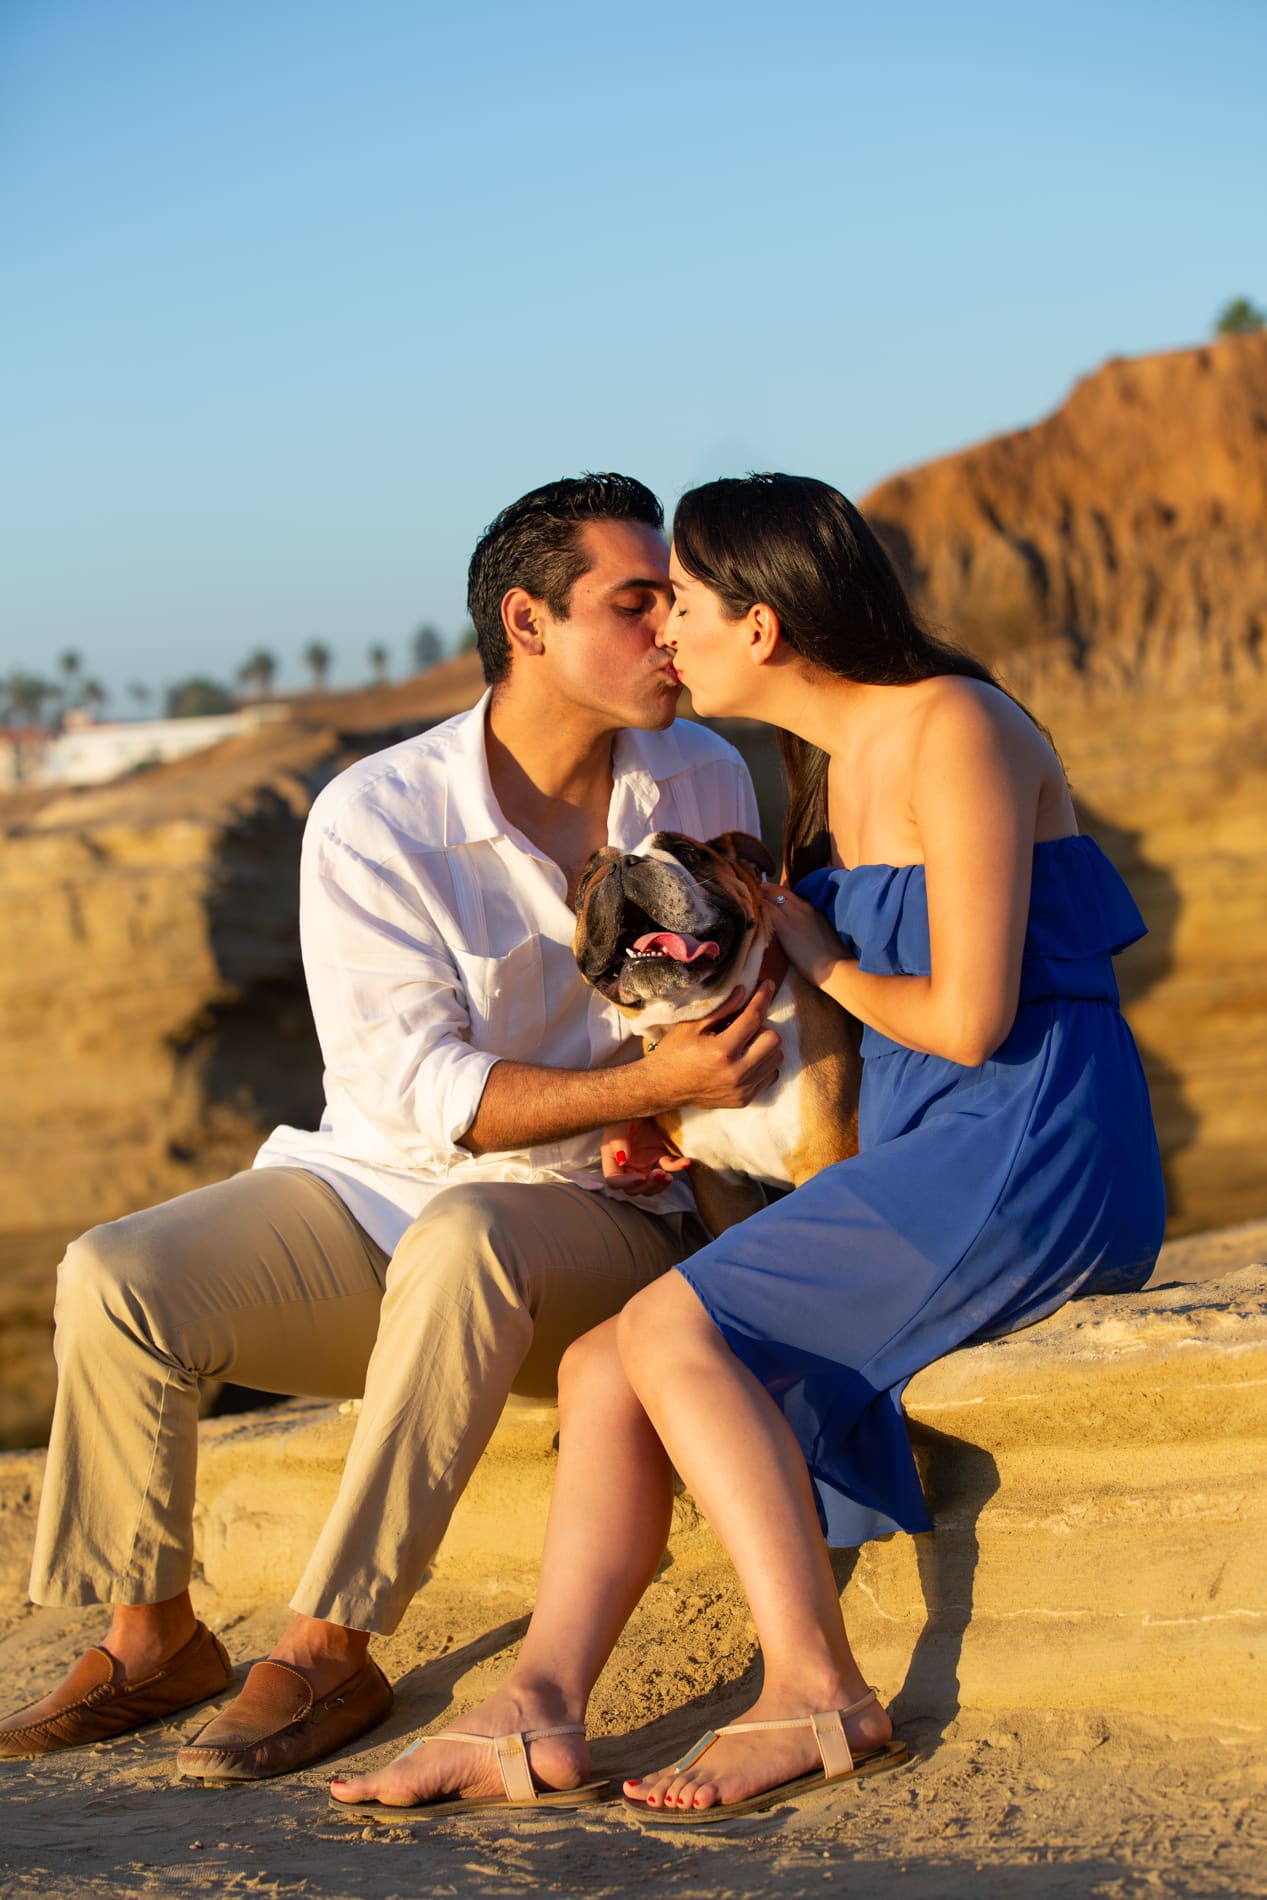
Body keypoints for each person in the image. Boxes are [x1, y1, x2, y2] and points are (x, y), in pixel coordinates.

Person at [330, 473, 1166, 1823]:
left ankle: (816, 1686)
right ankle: (532, 1705)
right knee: (609, 1363)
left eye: (686, 606)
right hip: (927, 1147)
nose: (667, 634)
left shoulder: (954, 725)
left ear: (763, 626)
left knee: (664, 1333)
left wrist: (816, 948)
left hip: (1027, 1145)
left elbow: (969, 1019)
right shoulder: (824, 770)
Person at [0, 474, 782, 1780]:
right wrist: (652, 1085)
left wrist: (672, 1112)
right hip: (378, 1191)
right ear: (528, 625)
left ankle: (327, 1649)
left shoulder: (696, 768)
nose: (671, 629)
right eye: (636, 602)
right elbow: (424, 1090)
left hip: (608, 1222)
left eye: (674, 600)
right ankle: (154, 1640)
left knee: (472, 1235)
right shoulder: (377, 815)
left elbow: (739, 992)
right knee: (116, 1276)